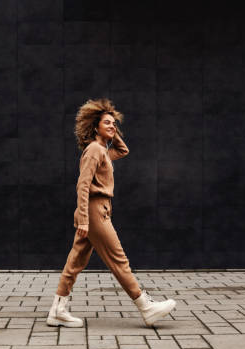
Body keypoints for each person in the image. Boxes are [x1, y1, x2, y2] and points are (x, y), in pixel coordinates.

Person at [46, 98, 177, 328]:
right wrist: (85, 219)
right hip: (95, 212)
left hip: (97, 210)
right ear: (95, 126)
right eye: (106, 123)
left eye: (114, 123)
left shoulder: (103, 151)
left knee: (75, 261)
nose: (112, 126)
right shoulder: (95, 150)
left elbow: (123, 150)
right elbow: (83, 185)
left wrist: (110, 130)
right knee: (119, 260)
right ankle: (146, 307)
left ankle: (58, 310)